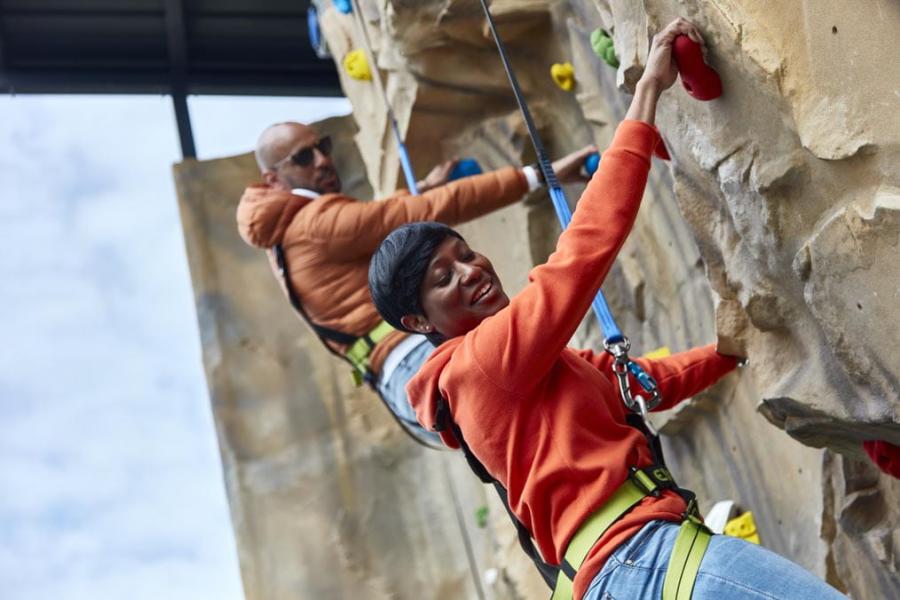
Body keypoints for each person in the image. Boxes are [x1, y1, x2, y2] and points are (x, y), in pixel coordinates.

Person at [368, 18, 847, 600]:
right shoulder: (480, 365)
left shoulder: (521, 372)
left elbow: (637, 383)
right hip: (637, 558)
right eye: (444, 279)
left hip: (620, 571)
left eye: (465, 254)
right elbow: (582, 251)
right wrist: (645, 98)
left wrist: (736, 348)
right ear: (419, 324)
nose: (471, 271)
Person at [236, 119, 594, 444]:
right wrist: (537, 176)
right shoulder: (313, 223)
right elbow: (414, 216)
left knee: (553, 425)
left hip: (409, 388)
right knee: (566, 376)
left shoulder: (284, 237)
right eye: (303, 157)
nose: (322, 160)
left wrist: (421, 187)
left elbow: (371, 219)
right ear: (273, 180)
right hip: (421, 358)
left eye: (323, 147)